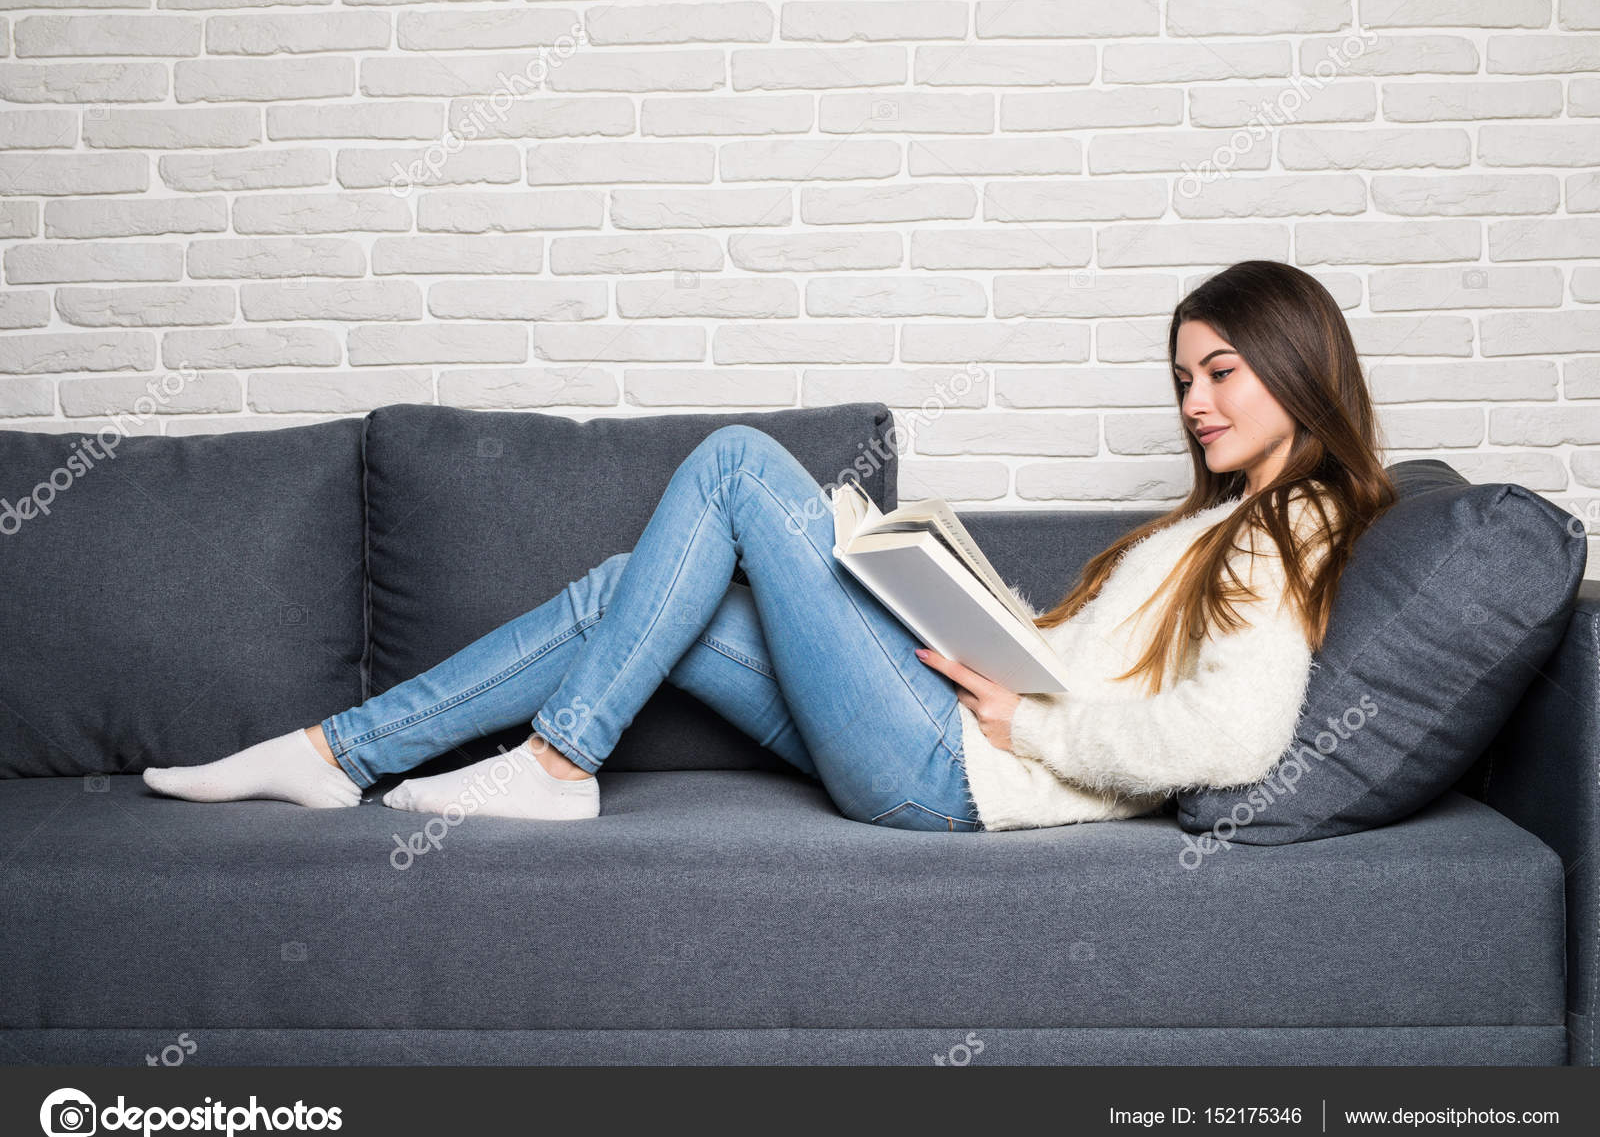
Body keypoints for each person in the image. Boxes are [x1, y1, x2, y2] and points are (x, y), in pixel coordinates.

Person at [143, 259, 1396, 832]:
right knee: (629, 588)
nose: (1193, 403)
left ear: (1295, 363)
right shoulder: (1215, 521)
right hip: (942, 726)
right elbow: (1105, 659)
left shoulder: (1289, 529)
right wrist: (967, 608)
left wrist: (1033, 728)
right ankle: (332, 752)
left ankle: (557, 762)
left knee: (740, 462)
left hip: (957, 773)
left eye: (1219, 371)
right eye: (1183, 376)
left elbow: (1231, 737)